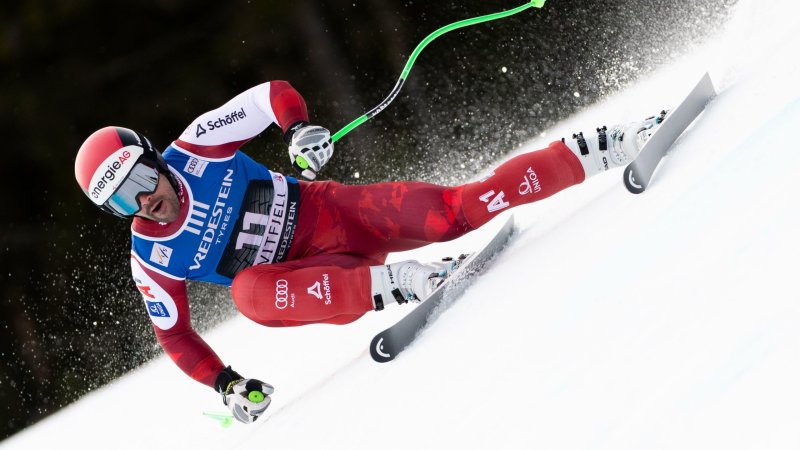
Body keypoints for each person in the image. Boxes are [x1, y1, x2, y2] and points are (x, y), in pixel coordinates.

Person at [74, 80, 664, 423]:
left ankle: (606, 146)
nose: (142, 201)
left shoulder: (198, 146)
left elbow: (271, 95)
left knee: (452, 212)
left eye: (138, 181)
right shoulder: (148, 260)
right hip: (320, 279)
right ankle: (399, 284)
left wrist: (296, 131)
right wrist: (226, 384)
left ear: (153, 160)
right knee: (248, 294)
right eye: (121, 203)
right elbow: (175, 336)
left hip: (338, 216)